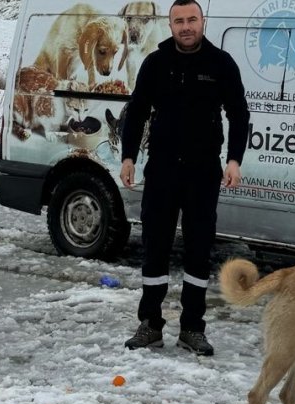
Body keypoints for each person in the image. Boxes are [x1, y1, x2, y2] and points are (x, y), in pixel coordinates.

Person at [119, 0, 250, 356]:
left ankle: (192, 328)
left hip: (203, 173)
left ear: (202, 21)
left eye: (192, 19)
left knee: (198, 251)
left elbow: (239, 115)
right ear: (170, 24)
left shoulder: (221, 64)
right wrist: (128, 155)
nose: (186, 26)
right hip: (161, 170)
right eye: (179, 21)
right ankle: (150, 325)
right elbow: (136, 112)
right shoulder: (156, 63)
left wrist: (234, 160)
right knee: (155, 249)